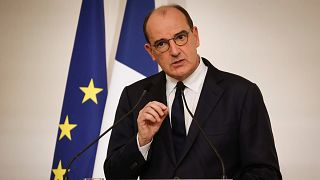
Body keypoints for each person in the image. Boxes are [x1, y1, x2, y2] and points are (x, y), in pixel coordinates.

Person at [104, 4, 281, 179]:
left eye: (180, 37)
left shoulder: (242, 94)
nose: (174, 51)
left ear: (195, 36)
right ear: (151, 51)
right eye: (162, 43)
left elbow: (266, 173)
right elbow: (114, 175)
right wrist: (141, 141)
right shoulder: (135, 96)